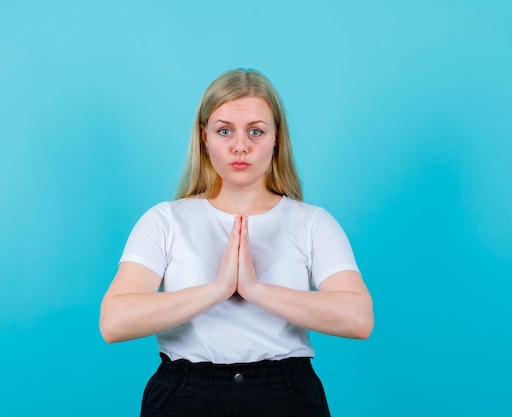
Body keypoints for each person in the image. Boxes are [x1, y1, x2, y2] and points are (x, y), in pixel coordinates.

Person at [99, 68, 374, 417]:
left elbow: (359, 318)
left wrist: (256, 289)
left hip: (285, 396)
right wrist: (218, 289)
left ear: (277, 139)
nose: (240, 146)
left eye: (256, 131)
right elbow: (113, 322)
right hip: (185, 397)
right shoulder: (165, 220)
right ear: (204, 137)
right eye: (224, 130)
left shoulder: (312, 222)